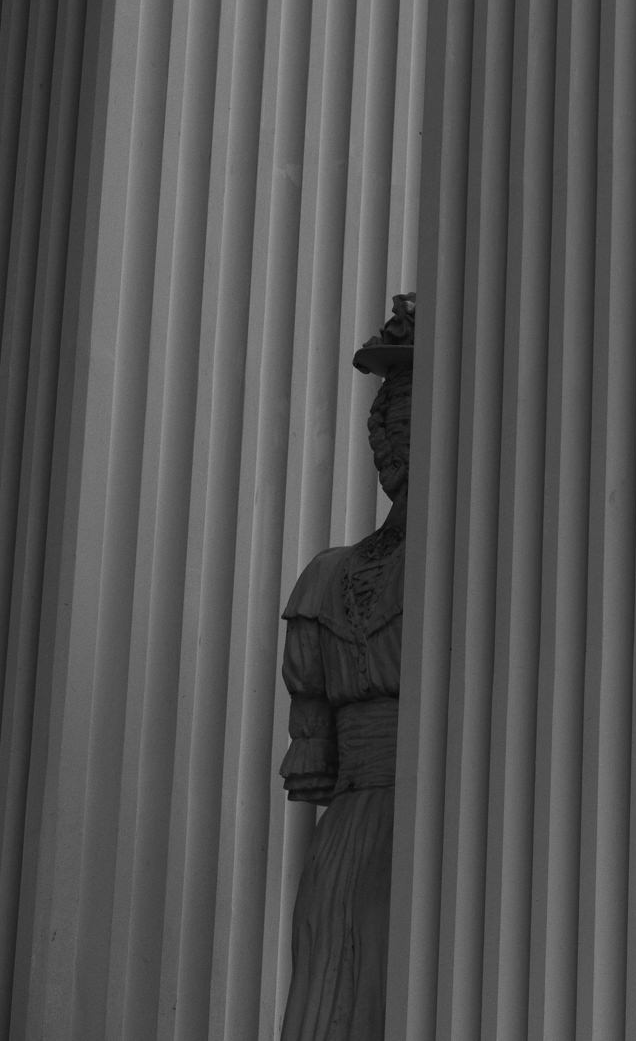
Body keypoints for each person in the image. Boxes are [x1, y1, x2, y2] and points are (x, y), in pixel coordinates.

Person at [278, 295, 414, 1041]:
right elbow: (318, 754)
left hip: (448, 823)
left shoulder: (482, 571)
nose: (395, 442)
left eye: (412, 423)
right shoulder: (327, 578)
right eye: (389, 424)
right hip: (353, 827)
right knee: (330, 979)